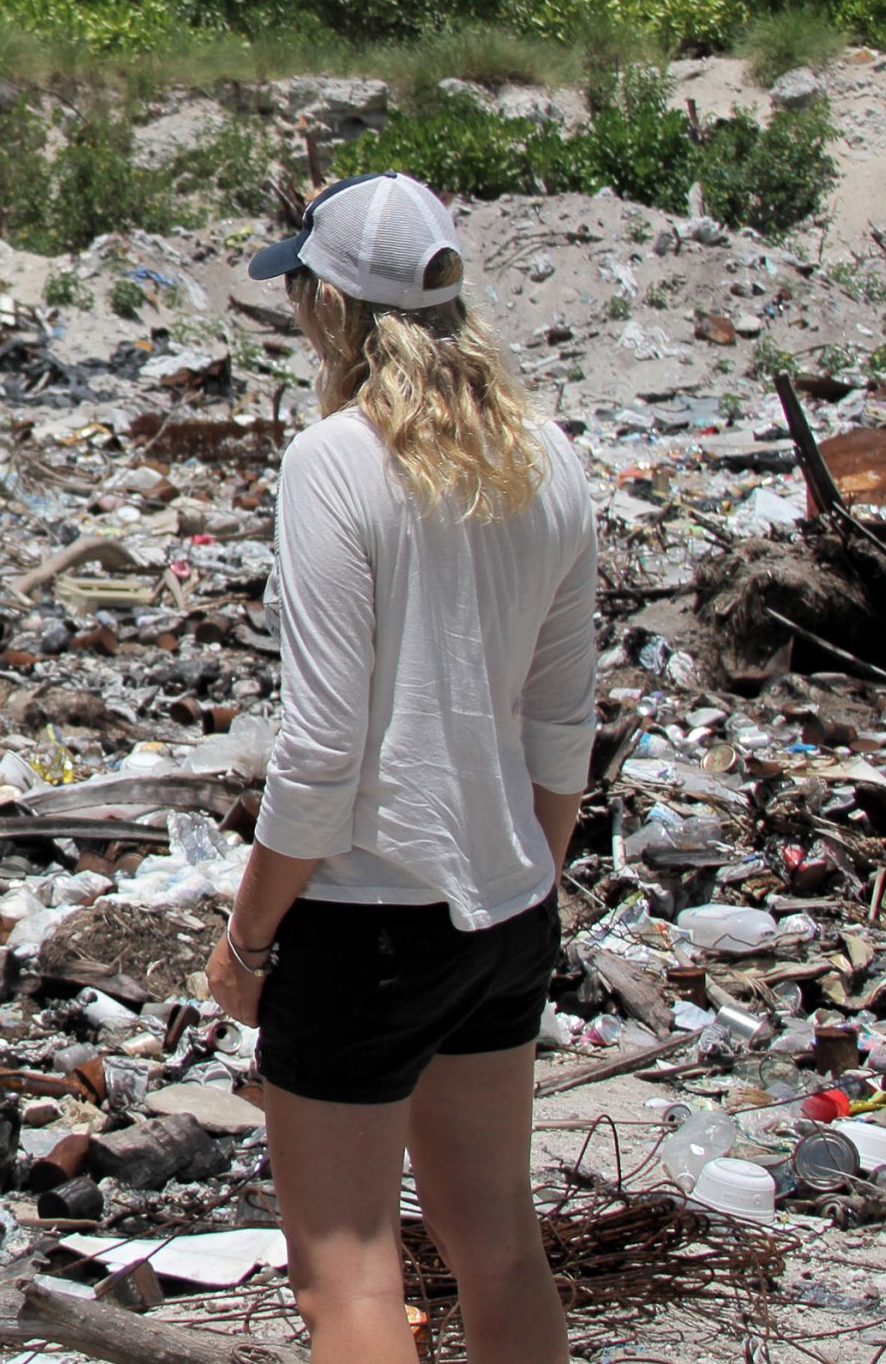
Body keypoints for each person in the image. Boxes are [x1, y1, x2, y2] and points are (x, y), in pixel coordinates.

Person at [202, 171, 596, 1364]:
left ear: (329, 305)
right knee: (499, 1246)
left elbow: (322, 750)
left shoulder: (334, 460)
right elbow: (563, 727)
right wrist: (522, 878)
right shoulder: (550, 456)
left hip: (365, 919)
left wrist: (250, 941)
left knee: (351, 1280)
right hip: (506, 905)